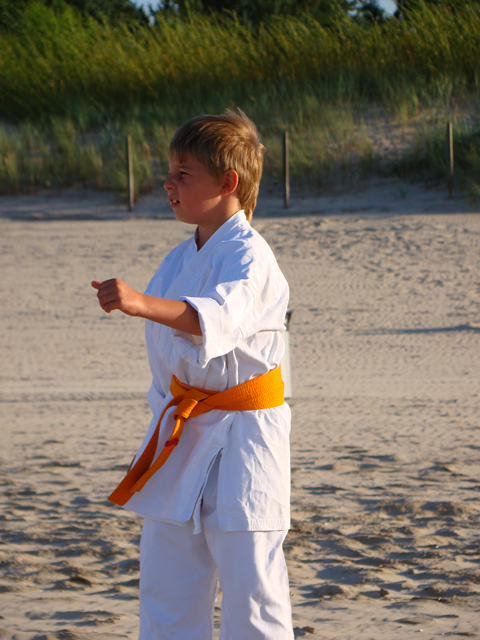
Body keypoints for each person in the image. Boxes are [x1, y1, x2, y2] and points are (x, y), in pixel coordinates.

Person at [91, 110, 293, 640]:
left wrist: (139, 302)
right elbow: (164, 363)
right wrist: (160, 427)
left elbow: (214, 321)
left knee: (252, 591)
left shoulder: (251, 257)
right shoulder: (179, 259)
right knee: (168, 588)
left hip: (245, 439)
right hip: (181, 436)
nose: (169, 184)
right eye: (169, 173)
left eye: (184, 174)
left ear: (228, 183)